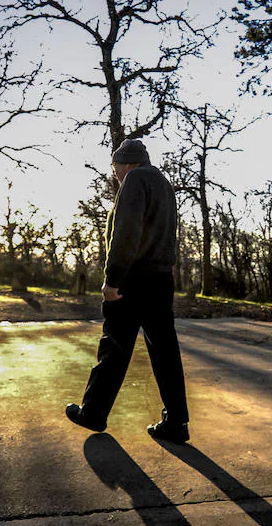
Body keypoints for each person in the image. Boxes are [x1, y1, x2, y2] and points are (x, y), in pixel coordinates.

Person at [65, 139, 190, 444]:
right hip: (161, 279)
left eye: (115, 167)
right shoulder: (163, 183)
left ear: (128, 163)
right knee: (165, 352)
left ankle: (93, 413)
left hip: (134, 280)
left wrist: (112, 280)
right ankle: (176, 422)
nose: (115, 175)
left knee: (115, 347)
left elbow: (126, 233)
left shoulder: (136, 179)